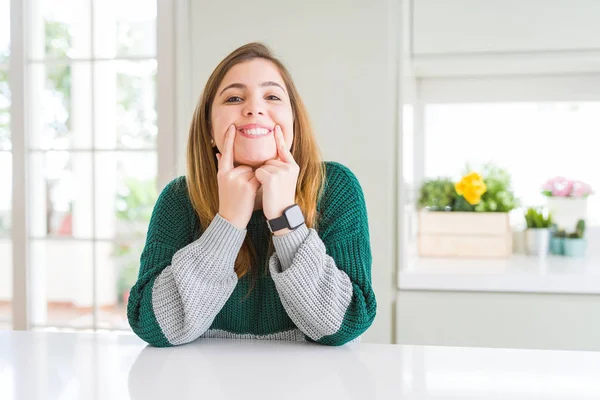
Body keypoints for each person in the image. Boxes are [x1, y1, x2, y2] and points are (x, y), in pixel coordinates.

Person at [127, 42, 376, 347]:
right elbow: (151, 326)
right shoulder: (179, 199)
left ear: (293, 123)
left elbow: (346, 323)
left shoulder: (335, 187)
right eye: (234, 97)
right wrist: (228, 222)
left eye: (272, 96)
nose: (254, 108)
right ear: (208, 127)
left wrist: (286, 218)